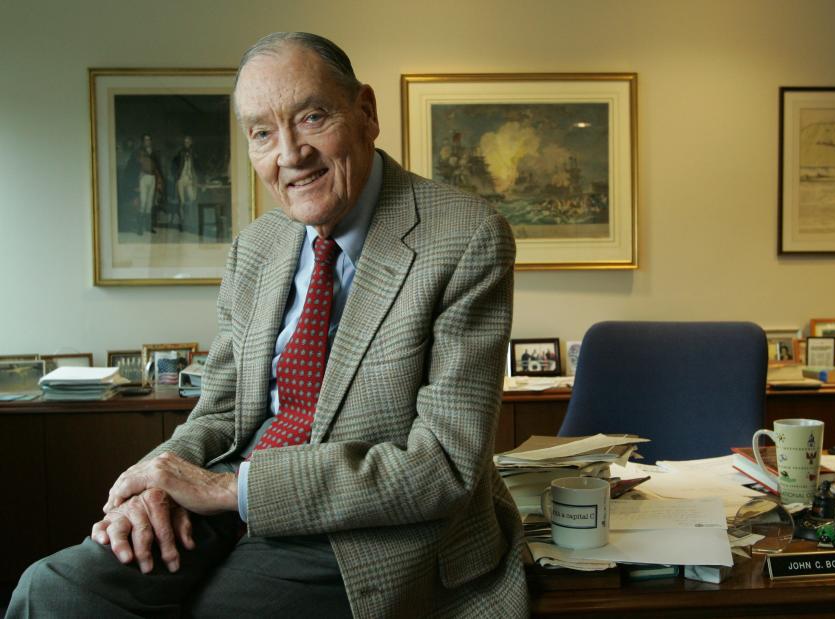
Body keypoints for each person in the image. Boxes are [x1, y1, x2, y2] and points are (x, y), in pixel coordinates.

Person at [7, 32, 528, 618]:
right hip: (226, 501)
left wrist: (234, 491)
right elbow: (222, 412)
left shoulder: (464, 237)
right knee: (50, 590)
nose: (290, 154)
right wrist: (157, 481)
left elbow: (444, 467)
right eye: (262, 133)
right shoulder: (255, 248)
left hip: (367, 531)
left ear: (366, 113)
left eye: (311, 117)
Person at [134, 133, 164, 235]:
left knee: (150, 203)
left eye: (149, 140)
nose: (148, 141)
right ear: (143, 141)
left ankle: (148, 226)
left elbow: (157, 166)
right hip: (143, 177)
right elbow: (136, 165)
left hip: (152, 177)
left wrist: (160, 179)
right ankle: (139, 228)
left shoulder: (154, 152)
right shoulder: (139, 151)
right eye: (146, 140)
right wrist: (137, 180)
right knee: (143, 202)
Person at [172, 135, 201, 232]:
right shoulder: (180, 152)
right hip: (181, 179)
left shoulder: (194, 153)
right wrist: (176, 176)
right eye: (185, 142)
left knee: (192, 198)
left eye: (188, 142)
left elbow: (197, 166)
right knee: (182, 201)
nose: (187, 143)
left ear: (191, 143)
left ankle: (189, 220)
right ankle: (181, 223)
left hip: (189, 179)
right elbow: (174, 164)